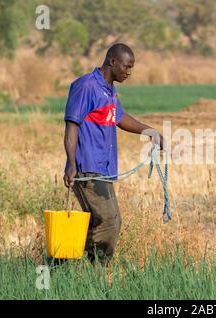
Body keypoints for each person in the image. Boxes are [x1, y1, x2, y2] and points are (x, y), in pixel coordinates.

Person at [63, 43, 164, 264]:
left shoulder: (109, 91)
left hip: (104, 168)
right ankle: (88, 268)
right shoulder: (86, 86)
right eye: (127, 67)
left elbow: (120, 118)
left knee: (108, 221)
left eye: (131, 68)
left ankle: (64, 260)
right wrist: (71, 164)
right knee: (109, 221)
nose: (129, 72)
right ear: (113, 62)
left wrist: (150, 131)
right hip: (86, 167)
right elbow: (72, 126)